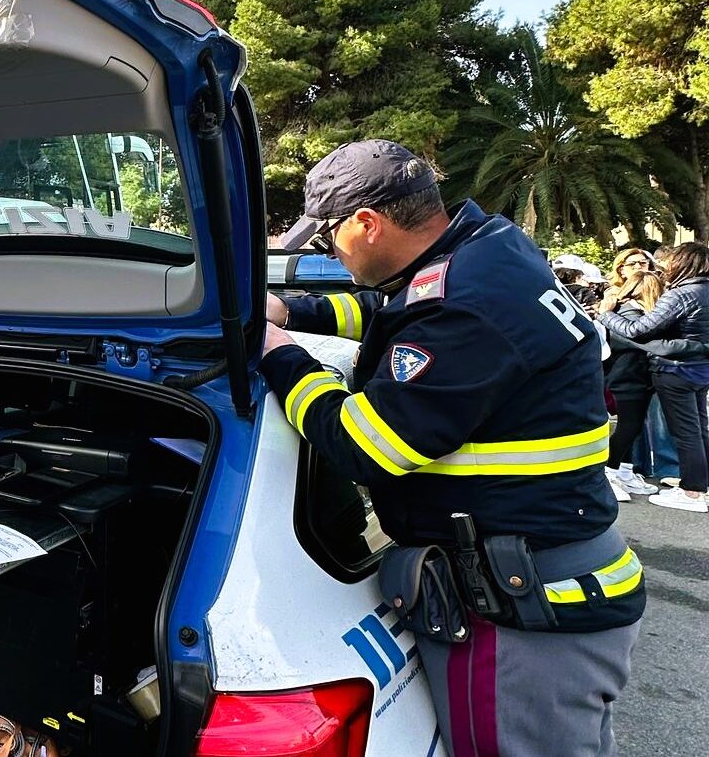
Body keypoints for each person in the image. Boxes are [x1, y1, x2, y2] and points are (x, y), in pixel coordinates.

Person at [265, 139, 644, 757]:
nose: (327, 248)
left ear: (367, 223)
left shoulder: (470, 304)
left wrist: (279, 356)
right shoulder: (482, 250)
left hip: (517, 609)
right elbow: (394, 314)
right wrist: (292, 310)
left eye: (328, 234)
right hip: (547, 578)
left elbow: (366, 447)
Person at [596, 242, 709, 513]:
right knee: (694, 429)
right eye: (632, 264)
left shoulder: (681, 294)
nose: (659, 268)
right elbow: (638, 331)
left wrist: (605, 314)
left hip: (674, 370)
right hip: (682, 371)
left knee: (686, 431)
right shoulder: (692, 292)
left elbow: (639, 331)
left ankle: (693, 490)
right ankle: (696, 485)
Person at [597, 268, 665, 501]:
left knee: (633, 427)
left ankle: (623, 472)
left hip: (634, 377)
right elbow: (636, 340)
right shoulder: (629, 313)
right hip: (626, 377)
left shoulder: (624, 311)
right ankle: (608, 472)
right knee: (629, 426)